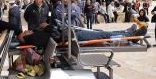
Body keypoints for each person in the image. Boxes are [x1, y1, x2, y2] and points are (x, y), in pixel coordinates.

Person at [18, 23, 147, 48]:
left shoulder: (35, 35)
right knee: (102, 35)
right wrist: (46, 26)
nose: (28, 31)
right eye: (26, 32)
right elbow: (53, 34)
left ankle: (127, 32)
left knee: (99, 32)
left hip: (71, 32)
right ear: (25, 37)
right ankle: (130, 35)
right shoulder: (35, 38)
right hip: (73, 36)